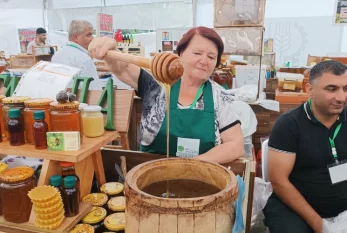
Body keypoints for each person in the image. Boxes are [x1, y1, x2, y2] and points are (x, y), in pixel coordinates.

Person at [88, 27, 244, 164]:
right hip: (149, 176)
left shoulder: (220, 97)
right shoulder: (157, 82)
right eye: (197, 53)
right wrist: (109, 51)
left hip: (199, 178)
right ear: (181, 54)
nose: (204, 61)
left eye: (211, 57)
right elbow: (122, 68)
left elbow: (236, 145)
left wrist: (193, 165)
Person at [263, 60, 347, 233]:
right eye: (331, 89)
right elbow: (279, 182)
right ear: (309, 89)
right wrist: (320, 225)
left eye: (345, 89)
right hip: (295, 208)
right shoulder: (289, 124)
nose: (341, 97)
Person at [52, 20, 103, 90]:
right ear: (76, 38)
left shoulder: (57, 55)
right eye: (89, 35)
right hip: (78, 100)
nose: (92, 38)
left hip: (59, 98)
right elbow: (94, 90)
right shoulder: (84, 58)